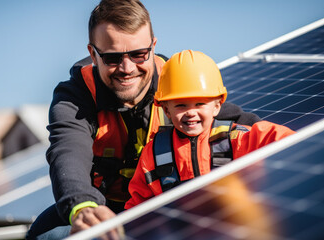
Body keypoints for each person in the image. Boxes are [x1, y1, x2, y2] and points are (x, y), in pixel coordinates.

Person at [26, 0, 261, 239]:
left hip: (166, 208)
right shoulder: (76, 96)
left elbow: (246, 125)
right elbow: (68, 153)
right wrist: (84, 207)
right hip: (104, 207)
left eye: (139, 54)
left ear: (153, 46)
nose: (127, 68)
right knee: (45, 234)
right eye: (112, 58)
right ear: (93, 55)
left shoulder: (176, 82)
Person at [125, 50, 295, 209]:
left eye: (200, 104)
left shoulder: (236, 138)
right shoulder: (153, 153)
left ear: (217, 106)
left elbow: (278, 137)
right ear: (166, 110)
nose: (191, 112)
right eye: (181, 105)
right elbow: (138, 205)